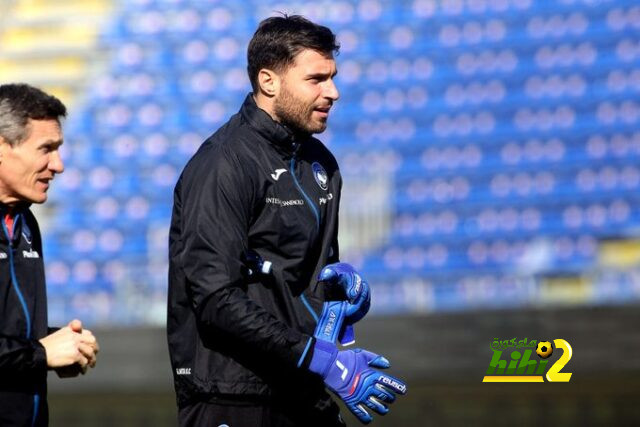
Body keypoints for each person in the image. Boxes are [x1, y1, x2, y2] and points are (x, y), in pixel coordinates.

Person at [167, 14, 406, 427]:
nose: (333, 92)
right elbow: (215, 300)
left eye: (332, 77)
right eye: (316, 79)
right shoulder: (224, 163)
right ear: (268, 81)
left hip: (302, 387)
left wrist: (342, 308)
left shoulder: (322, 165)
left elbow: (306, 285)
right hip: (231, 396)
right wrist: (321, 360)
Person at [0, 83, 100, 426]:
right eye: (47, 149)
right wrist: (41, 354)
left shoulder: (25, 222)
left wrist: (60, 345)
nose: (58, 165)